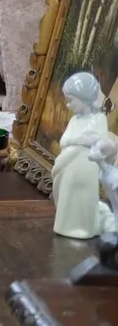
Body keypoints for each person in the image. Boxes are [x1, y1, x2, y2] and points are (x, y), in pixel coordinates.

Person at [53, 71, 113, 239]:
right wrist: (79, 140)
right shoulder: (74, 121)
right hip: (69, 164)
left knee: (83, 194)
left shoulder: (99, 119)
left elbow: (100, 140)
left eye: (70, 100)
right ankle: (65, 225)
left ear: (84, 98)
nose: (67, 105)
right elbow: (64, 141)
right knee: (68, 193)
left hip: (87, 166)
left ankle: (84, 227)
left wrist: (80, 140)